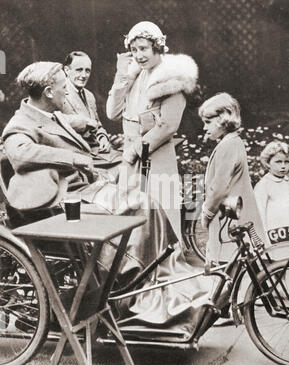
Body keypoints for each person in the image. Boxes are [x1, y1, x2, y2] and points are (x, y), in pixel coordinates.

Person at [1, 61, 226, 337]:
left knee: (148, 202)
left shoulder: (52, 116)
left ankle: (164, 284)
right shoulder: (19, 125)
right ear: (48, 92)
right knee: (135, 206)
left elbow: (74, 125)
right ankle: (131, 301)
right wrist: (73, 158)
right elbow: (20, 154)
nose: (67, 94)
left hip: (85, 191)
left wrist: (95, 130)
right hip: (65, 203)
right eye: (63, 89)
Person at [106, 21, 199, 240]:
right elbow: (112, 112)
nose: (138, 55)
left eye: (144, 48)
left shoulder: (170, 78)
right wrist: (121, 76)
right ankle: (136, 266)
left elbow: (168, 125)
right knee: (132, 211)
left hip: (155, 157)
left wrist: (134, 150)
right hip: (133, 158)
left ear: (157, 47)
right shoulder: (135, 75)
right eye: (134, 49)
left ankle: (166, 263)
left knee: (159, 207)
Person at [199, 92, 265, 264]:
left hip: (230, 216)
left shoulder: (228, 145)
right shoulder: (232, 142)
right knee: (235, 263)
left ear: (223, 118)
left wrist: (206, 213)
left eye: (208, 122)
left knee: (229, 263)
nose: (205, 128)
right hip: (233, 214)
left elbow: (219, 187)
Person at [62, 51, 122, 174]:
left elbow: (97, 124)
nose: (83, 75)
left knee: (129, 162)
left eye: (87, 70)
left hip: (96, 150)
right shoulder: (60, 94)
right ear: (67, 70)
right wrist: (84, 122)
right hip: (77, 153)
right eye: (79, 70)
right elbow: (55, 122)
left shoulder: (89, 95)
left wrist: (103, 138)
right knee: (123, 168)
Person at [254, 141, 289, 280]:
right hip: (273, 230)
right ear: (268, 163)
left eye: (286, 162)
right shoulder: (264, 185)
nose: (283, 166)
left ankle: (282, 287)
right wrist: (261, 234)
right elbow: (259, 211)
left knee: (286, 259)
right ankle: (269, 288)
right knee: (272, 260)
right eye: (278, 162)